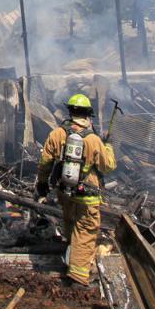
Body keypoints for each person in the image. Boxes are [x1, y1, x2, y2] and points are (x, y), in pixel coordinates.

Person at [35, 93, 115, 285]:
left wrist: (42, 184)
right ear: (88, 114)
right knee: (86, 231)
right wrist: (109, 146)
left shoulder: (57, 133)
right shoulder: (93, 139)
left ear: (70, 111)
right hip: (87, 195)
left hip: (64, 191)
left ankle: (71, 260)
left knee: (71, 225)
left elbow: (45, 162)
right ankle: (78, 277)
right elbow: (108, 166)